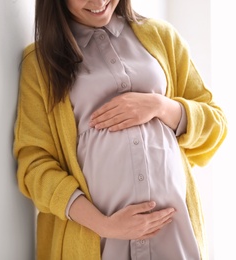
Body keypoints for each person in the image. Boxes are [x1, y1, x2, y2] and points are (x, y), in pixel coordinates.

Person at [13, 0, 228, 259]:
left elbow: (216, 122)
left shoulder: (161, 37)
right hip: (100, 242)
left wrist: (160, 106)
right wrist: (105, 225)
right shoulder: (39, 64)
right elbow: (35, 166)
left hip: (174, 236)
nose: (99, 1)